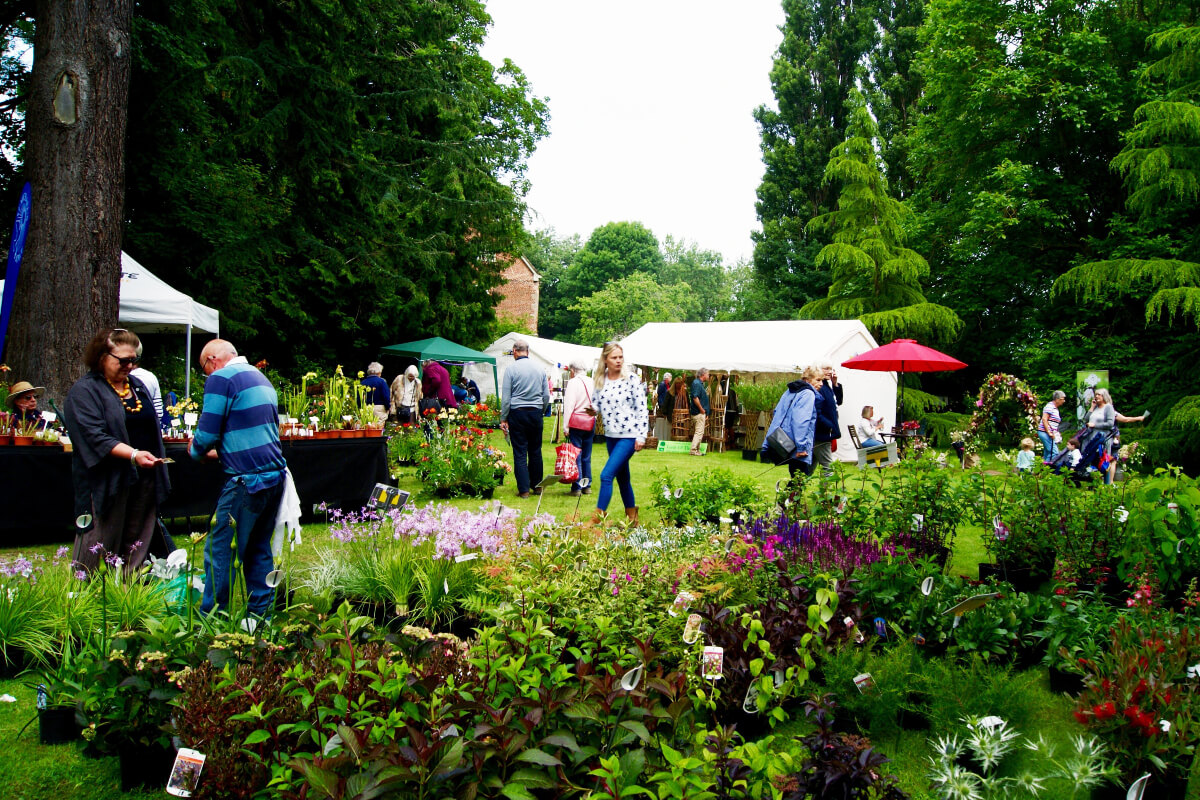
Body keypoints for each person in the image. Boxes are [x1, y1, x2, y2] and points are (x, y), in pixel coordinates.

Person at [189, 339, 287, 616]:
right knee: (258, 549)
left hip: (247, 480)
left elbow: (206, 435)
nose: (206, 375)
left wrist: (195, 450)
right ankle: (260, 617)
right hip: (274, 476)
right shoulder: (260, 378)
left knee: (220, 551)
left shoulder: (221, 378)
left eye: (204, 369)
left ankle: (213, 618)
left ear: (212, 360)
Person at [64, 328, 170, 575]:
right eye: (123, 360)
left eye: (134, 360)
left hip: (143, 478)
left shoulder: (137, 386)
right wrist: (133, 455)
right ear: (101, 357)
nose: (130, 366)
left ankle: (127, 593)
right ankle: (86, 598)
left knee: (136, 542)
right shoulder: (85, 391)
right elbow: (94, 436)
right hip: (106, 481)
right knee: (98, 541)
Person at [589, 342, 648, 525]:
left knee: (606, 475)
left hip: (629, 435)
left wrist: (641, 436)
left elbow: (642, 409)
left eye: (620, 357)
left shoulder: (631, 379)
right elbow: (596, 403)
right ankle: (632, 517)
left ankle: (598, 517)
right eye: (614, 357)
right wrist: (591, 410)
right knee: (623, 478)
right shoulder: (600, 380)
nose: (618, 361)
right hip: (611, 436)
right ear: (605, 359)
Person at [499, 340, 550, 498]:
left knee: (520, 452)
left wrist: (503, 418)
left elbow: (506, 398)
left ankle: (524, 490)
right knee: (535, 450)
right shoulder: (540, 369)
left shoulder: (511, 369)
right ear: (528, 351)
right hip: (535, 413)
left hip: (518, 413)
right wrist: (540, 410)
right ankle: (537, 486)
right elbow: (546, 395)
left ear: (514, 351)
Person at [761, 366, 819, 478]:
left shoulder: (790, 391)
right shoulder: (808, 393)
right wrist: (802, 447)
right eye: (818, 380)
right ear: (807, 380)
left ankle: (786, 495)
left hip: (783, 439)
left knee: (796, 475)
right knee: (800, 478)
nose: (821, 384)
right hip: (797, 445)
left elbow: (777, 413)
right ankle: (786, 495)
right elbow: (801, 421)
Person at [562, 359, 595, 497]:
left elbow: (569, 405)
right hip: (589, 421)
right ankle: (587, 485)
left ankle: (577, 487)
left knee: (576, 455)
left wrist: (566, 426)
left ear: (573, 370)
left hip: (576, 422)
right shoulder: (592, 381)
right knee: (586, 456)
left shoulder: (573, 383)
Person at [813, 363, 844, 478]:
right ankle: (827, 495)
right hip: (822, 434)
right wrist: (829, 426)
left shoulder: (827, 386)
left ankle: (791, 494)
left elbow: (838, 402)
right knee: (828, 468)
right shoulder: (819, 388)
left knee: (808, 470)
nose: (829, 371)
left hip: (824, 433)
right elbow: (817, 412)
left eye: (831, 369)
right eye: (826, 369)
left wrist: (835, 383)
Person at [1086, 388, 1117, 485]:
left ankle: (1107, 483)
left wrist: (1095, 425)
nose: (1096, 396)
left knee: (1104, 460)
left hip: (1103, 438)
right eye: (1096, 394)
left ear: (1104, 396)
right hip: (1093, 438)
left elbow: (1110, 423)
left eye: (1099, 394)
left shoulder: (1108, 407)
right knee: (1094, 460)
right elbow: (1086, 419)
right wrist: (1091, 407)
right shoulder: (1095, 407)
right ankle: (1095, 483)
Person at [1037, 390, 1066, 464]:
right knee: (1054, 452)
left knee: (1048, 452)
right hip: (1045, 432)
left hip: (1048, 433)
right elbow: (1044, 419)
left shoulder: (1054, 408)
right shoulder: (1050, 406)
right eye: (1063, 399)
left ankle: (1042, 470)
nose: (1064, 401)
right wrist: (1049, 432)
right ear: (1057, 399)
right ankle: (1050, 469)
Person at [689, 368, 711, 456]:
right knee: (699, 432)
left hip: (700, 412)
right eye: (708, 374)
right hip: (698, 412)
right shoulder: (697, 383)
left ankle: (696, 450)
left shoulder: (699, 384)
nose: (708, 376)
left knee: (700, 432)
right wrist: (702, 409)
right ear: (703, 374)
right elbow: (695, 397)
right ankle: (693, 450)